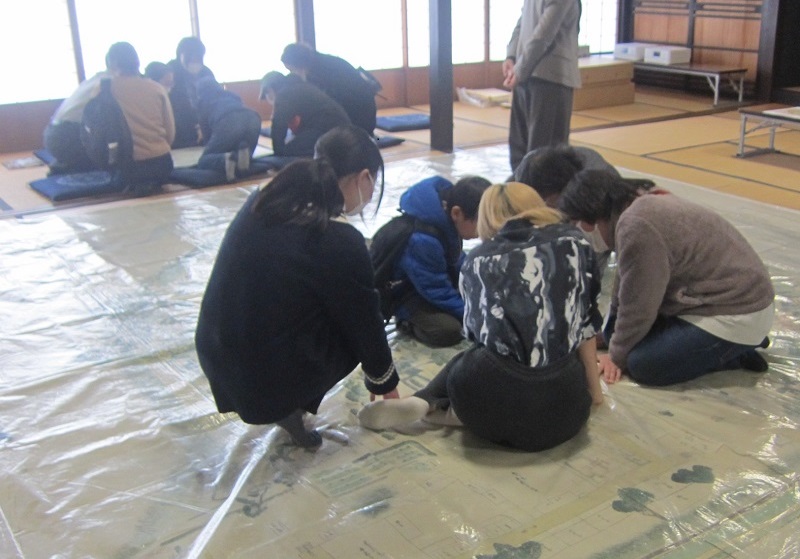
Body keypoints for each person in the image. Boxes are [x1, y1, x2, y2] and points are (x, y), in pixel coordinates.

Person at [195, 125, 400, 448]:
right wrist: (386, 384)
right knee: (367, 312)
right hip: (262, 384)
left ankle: (285, 402)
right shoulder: (339, 240)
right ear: (364, 178)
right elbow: (364, 324)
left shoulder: (263, 200)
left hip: (216, 356)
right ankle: (289, 402)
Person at [359, 182, 603, 452]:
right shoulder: (578, 242)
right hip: (566, 415)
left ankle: (431, 403)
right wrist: (594, 393)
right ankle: (446, 411)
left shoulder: (477, 260)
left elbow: (479, 338)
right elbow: (586, 325)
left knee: (474, 358)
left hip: (488, 413)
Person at [558, 169, 775, 386]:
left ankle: (733, 351)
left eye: (578, 224)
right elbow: (627, 284)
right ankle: (732, 345)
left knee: (642, 364)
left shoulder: (637, 226)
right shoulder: (638, 203)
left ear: (591, 216)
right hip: (723, 298)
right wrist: (609, 334)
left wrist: (616, 356)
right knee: (618, 333)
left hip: (737, 311)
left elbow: (640, 305)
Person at [386, 175, 490, 347]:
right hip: (407, 294)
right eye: (480, 223)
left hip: (432, 279)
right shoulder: (422, 239)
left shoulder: (445, 214)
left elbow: (456, 258)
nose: (483, 231)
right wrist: (472, 314)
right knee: (450, 330)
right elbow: (436, 289)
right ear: (457, 213)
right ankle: (407, 323)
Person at [502, 0, 582, 173]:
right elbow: (529, 24)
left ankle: (525, 188)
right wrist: (512, 57)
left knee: (538, 155)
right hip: (539, 74)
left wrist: (518, 66)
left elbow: (543, 32)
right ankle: (521, 188)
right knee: (532, 154)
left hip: (542, 76)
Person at [101, 42, 175, 194]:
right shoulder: (156, 88)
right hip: (162, 163)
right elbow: (170, 133)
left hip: (128, 166)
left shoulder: (105, 89)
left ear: (112, 63)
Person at [281, 42, 378, 136]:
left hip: (358, 119)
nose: (292, 73)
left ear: (298, 64)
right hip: (361, 112)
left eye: (291, 69)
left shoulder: (322, 70)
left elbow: (325, 105)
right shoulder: (318, 61)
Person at [259, 71, 351, 157]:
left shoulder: (284, 94)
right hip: (343, 130)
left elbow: (278, 126)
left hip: (328, 132)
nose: (268, 100)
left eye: (266, 95)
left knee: (288, 151)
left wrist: (278, 153)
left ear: (269, 90)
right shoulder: (301, 86)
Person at [195, 76, 261, 181]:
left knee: (204, 160)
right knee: (241, 149)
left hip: (228, 120)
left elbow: (207, 133)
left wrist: (209, 147)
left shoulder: (203, 102)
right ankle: (243, 154)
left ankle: (225, 159)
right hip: (253, 118)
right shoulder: (232, 95)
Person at [43, 70, 110, 175]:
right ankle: (71, 167)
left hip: (52, 134)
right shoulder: (112, 83)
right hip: (70, 137)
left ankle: (67, 164)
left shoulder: (95, 79)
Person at [167, 36, 215, 148]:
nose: (194, 62)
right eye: (191, 58)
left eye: (198, 58)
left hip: (205, 125)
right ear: (180, 55)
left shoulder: (206, 72)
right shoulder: (170, 72)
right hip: (179, 130)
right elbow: (174, 105)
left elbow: (214, 99)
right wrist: (195, 125)